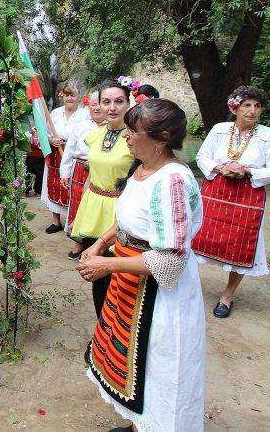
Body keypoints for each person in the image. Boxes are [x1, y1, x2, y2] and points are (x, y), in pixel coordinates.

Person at [76, 99, 205, 432]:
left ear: (161, 139)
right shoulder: (143, 167)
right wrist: (101, 242)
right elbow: (128, 218)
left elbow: (169, 259)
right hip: (131, 278)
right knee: (134, 361)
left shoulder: (172, 181)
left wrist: (108, 266)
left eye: (134, 131)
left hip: (159, 295)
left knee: (157, 365)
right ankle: (138, 425)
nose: (127, 137)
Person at [193, 86, 270, 318]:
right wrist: (220, 167)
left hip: (247, 196)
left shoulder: (268, 135)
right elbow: (202, 156)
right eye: (247, 105)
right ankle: (188, 286)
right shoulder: (220, 130)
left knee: (241, 245)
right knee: (199, 236)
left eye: (257, 106)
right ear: (235, 108)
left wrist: (248, 171)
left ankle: (227, 296)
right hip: (217, 190)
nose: (252, 111)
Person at [70, 80, 134, 317]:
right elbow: (91, 175)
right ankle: (102, 328)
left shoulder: (136, 138)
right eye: (106, 102)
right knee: (97, 276)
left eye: (119, 101)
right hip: (94, 208)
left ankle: (119, 333)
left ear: (129, 103)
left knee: (120, 275)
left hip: (120, 210)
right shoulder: (95, 136)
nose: (112, 107)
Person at [59, 91, 106, 260]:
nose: (97, 108)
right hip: (80, 169)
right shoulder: (80, 126)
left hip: (104, 172)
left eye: (101, 104)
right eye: (94, 104)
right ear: (88, 106)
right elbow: (69, 150)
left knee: (99, 207)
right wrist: (64, 173)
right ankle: (78, 243)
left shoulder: (114, 127)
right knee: (78, 206)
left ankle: (97, 245)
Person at [42, 85, 90, 233]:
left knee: (73, 188)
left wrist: (70, 143)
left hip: (73, 156)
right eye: (66, 95)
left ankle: (73, 222)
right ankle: (56, 221)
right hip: (55, 154)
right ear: (62, 97)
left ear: (78, 97)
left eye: (73, 95)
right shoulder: (55, 113)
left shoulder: (85, 114)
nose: (69, 98)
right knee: (53, 185)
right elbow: (44, 132)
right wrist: (51, 140)